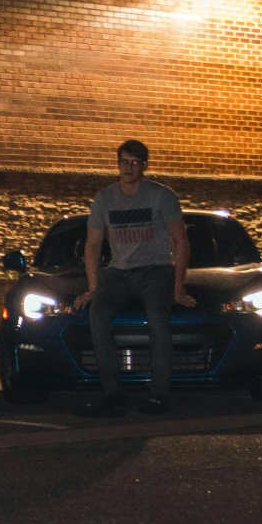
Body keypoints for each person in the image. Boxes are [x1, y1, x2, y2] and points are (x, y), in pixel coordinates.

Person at [72, 139, 194, 416]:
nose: (129, 167)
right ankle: (113, 395)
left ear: (144, 166)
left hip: (156, 269)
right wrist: (93, 287)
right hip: (118, 273)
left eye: (135, 162)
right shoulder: (104, 198)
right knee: (98, 314)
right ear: (117, 165)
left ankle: (159, 395)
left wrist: (177, 287)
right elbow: (93, 245)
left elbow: (180, 240)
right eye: (124, 162)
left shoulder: (162, 196)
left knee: (157, 317)